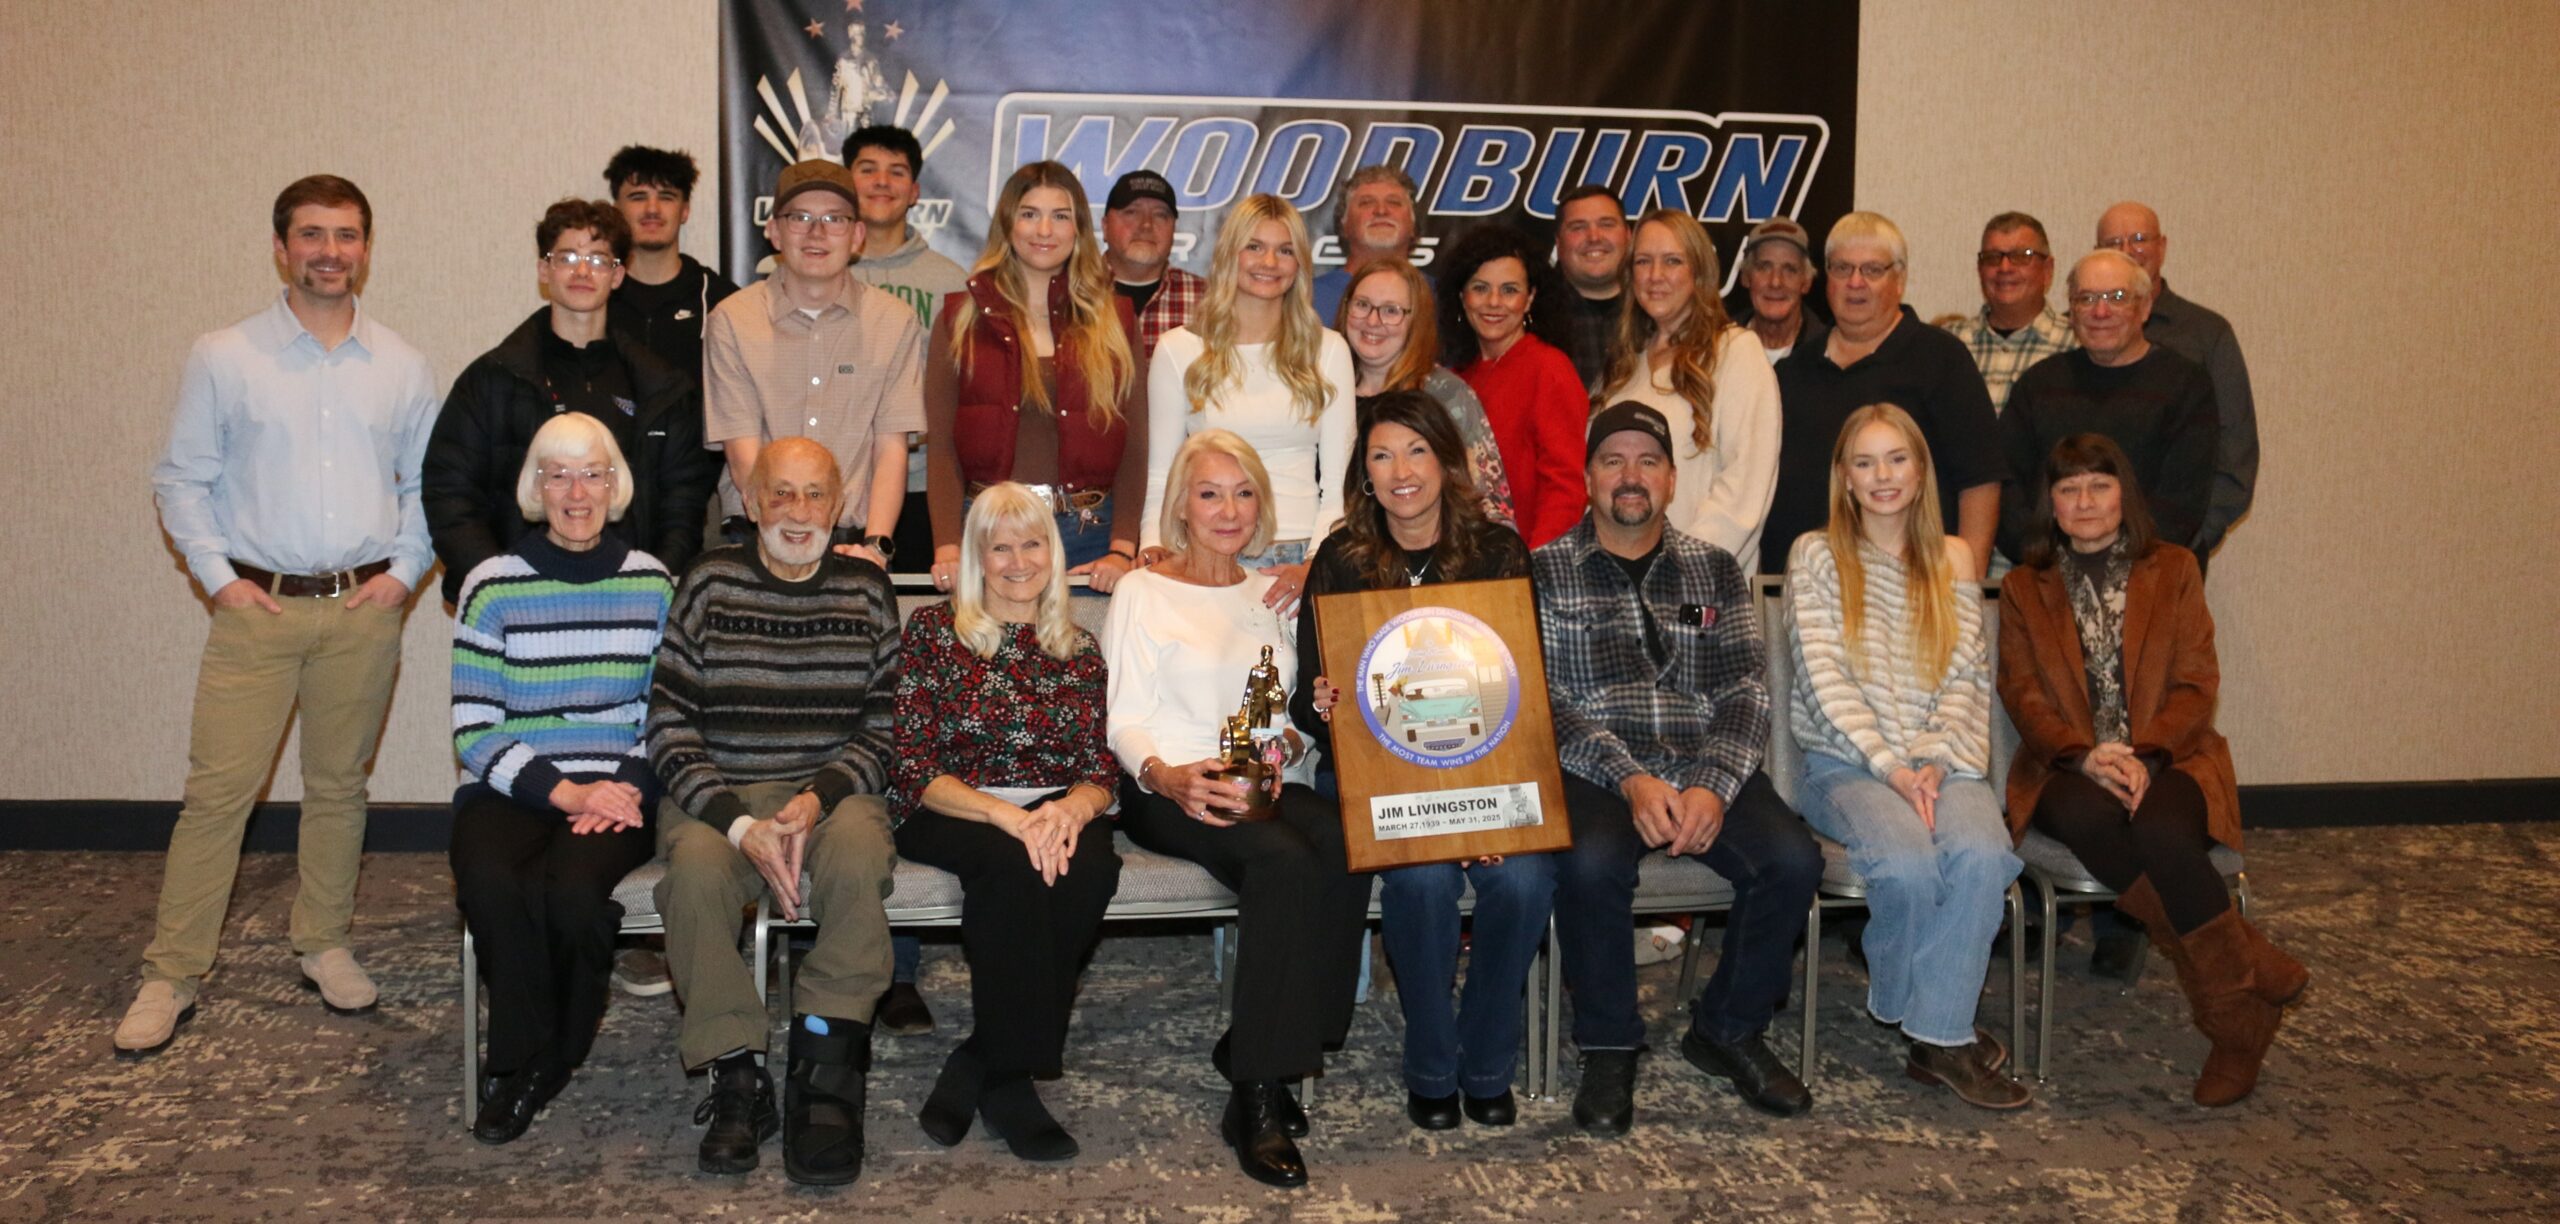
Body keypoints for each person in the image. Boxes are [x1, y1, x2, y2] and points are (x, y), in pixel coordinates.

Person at [123, 175, 438, 1057]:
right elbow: (180, 477)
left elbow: (425, 486)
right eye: (311, 235)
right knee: (219, 795)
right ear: (281, 247)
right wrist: (221, 580)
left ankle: (323, 942)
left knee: (338, 790)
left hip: (365, 610)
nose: (329, 251)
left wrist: (405, 576)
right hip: (256, 612)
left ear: (366, 249)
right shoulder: (226, 354)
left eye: (346, 235)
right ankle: (172, 971)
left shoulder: (402, 365)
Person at [1536, 403, 1823, 1135]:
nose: (1630, 477)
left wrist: (1713, 786)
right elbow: (1547, 704)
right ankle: (1609, 1043)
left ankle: (1726, 1029)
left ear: (1669, 479)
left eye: (1647, 462)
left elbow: (1744, 690)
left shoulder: (1714, 572)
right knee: (1591, 860)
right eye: (1613, 461)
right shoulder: (1544, 573)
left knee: (1791, 860)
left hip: (1702, 758)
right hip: (1598, 768)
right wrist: (1630, 778)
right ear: (1587, 476)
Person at [1997, 434, 2307, 1107]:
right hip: (2065, 765)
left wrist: (2148, 754)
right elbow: (2020, 691)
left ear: (2124, 496)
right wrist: (2086, 755)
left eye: (2099, 486)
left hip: (2173, 755)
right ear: (2049, 504)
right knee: (2086, 815)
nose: (2084, 501)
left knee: (2165, 836)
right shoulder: (2024, 585)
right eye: (2068, 488)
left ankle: (2230, 1029)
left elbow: (2196, 682)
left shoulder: (2174, 570)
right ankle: (2246, 972)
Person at [1104, 431, 1368, 1189]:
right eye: (1210, 492)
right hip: (1169, 784)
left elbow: (1278, 712)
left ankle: (1279, 1042)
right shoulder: (1142, 591)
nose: (1229, 509)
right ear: (1181, 506)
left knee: (1347, 840)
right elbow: (1122, 717)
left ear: (1262, 506)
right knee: (1284, 861)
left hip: (1261, 781)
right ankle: (1255, 1092)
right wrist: (1167, 775)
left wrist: (1290, 736)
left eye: (1244, 492)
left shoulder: (1270, 596)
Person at [1286, 393, 1548, 1130]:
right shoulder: (1340, 559)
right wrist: (1325, 699)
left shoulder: (1498, 551)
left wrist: (1495, 807)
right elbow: (1312, 705)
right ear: (1364, 476)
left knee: (1525, 880)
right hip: (1381, 776)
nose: (1400, 470)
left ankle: (1489, 1064)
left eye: (1416, 451)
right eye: (1381, 455)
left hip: (1488, 771)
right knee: (1425, 881)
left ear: (1445, 461)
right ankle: (1433, 1067)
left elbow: (1525, 686)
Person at [646, 437, 902, 1185]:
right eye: (780, 493)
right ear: (751, 503)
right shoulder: (708, 582)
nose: (797, 511)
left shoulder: (865, 589)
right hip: (720, 792)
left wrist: (816, 800)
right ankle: (738, 1077)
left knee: (857, 861)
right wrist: (737, 823)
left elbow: (884, 728)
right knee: (693, 874)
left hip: (831, 791)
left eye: (814, 493)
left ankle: (827, 1069)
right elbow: (667, 725)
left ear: (841, 504)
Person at [1781, 404, 2028, 1110]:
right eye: (1865, 462)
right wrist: (1892, 766)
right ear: (1845, 479)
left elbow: (1966, 679)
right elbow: (1824, 679)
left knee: (1985, 856)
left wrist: (1937, 765)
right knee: (1908, 865)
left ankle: (1933, 1031)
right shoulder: (1817, 554)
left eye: (1897, 459)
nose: (1882, 476)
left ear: (1921, 472)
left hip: (1942, 763)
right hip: (1846, 765)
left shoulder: (1954, 558)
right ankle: (1944, 1029)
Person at [448, 414, 676, 1143]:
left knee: (575, 897)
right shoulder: (491, 585)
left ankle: (543, 1061)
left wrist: (630, 781)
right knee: (489, 883)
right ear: (535, 487)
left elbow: (667, 712)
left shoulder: (652, 583)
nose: (577, 491)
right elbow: (475, 727)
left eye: (593, 474)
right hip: (513, 783)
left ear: (616, 487)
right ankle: (528, 1057)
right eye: (559, 474)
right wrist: (565, 791)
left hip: (618, 782)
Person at [893, 483, 1123, 1162]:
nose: (1018, 561)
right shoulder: (936, 632)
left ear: (1052, 553)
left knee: (1090, 869)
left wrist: (1068, 810)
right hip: (953, 804)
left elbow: (1101, 770)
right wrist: (1005, 816)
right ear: (977, 558)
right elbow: (912, 763)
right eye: (1001, 547)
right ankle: (1014, 1083)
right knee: (1010, 866)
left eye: (1032, 544)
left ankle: (980, 1059)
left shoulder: (1079, 646)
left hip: (1054, 805)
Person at [424, 198, 716, 607]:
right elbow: (449, 491)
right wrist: (498, 585)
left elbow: (683, 502)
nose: (582, 271)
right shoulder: (493, 379)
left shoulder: (660, 387)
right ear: (545, 270)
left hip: (630, 602)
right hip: (516, 602)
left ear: (618, 275)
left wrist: (651, 582)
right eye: (568, 257)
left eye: (598, 259)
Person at [924, 161, 1146, 598]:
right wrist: (947, 544)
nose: (1044, 229)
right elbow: (942, 448)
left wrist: (1122, 548)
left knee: (1082, 665)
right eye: (1029, 214)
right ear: (1007, 224)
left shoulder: (1116, 320)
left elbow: (1135, 443)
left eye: (1060, 216)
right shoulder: (958, 319)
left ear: (1079, 228)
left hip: (1091, 542)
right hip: (990, 535)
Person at [702, 159, 924, 569]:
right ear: (773, 231)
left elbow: (891, 447)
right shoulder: (732, 320)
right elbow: (741, 452)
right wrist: (786, 532)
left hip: (853, 545)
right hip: (757, 540)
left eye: (834, 219)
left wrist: (876, 547)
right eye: (800, 217)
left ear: (857, 235)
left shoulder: (894, 321)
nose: (817, 233)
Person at [1139, 194, 1357, 610]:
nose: (1269, 262)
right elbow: (1162, 474)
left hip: (1299, 561)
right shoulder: (1177, 350)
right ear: (1229, 254)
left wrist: (1316, 564)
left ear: (1299, 265)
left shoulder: (1329, 350)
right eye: (1254, 246)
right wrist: (1155, 544)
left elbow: (1339, 485)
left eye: (1285, 250)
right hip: (1206, 556)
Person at [1767, 212, 2002, 579]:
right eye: (1842, 269)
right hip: (1809, 587)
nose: (1855, 283)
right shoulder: (1792, 371)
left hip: (1918, 588)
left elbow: (1981, 481)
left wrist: (1966, 586)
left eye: (1872, 270)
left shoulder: (1942, 359)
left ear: (1900, 280)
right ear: (1826, 279)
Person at [1998, 250, 2219, 561]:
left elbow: (2183, 501)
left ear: (2145, 307)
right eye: (2086, 299)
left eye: (2117, 297)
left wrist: (2111, 565)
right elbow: (2008, 487)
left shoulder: (2185, 385)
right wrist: (2052, 559)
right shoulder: (2038, 385)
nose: (2100, 312)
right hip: (2050, 579)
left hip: (2151, 580)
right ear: (2071, 312)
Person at [1596, 209, 1782, 570]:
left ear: (1698, 272)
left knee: (1693, 625)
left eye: (1672, 261)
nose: (1655, 276)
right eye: (1643, 261)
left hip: (1699, 597)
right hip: (1622, 588)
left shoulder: (1736, 352)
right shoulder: (1621, 368)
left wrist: (1678, 574)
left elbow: (1744, 490)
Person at [842, 124, 970, 590]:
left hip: (917, 484)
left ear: (914, 191)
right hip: (831, 481)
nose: (881, 182)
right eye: (867, 169)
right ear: (845, 180)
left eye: (896, 172)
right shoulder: (812, 272)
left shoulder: (951, 282)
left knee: (909, 614)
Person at [2096, 201, 2258, 559]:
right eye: (2113, 243)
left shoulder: (2206, 334)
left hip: (2172, 557)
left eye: (2139, 238)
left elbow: (2236, 448)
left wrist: (2193, 540)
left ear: (2162, 247)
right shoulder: (2077, 329)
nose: (2127, 251)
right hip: (2079, 556)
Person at [1437, 222, 1586, 548]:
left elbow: (1565, 486)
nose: (1494, 302)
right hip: (1467, 562)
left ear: (1530, 298)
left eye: (1509, 290)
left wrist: (1539, 565)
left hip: (1529, 562)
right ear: (1462, 297)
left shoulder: (1549, 368)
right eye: (1480, 288)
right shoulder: (1458, 379)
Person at [1335, 256, 1515, 525]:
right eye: (1362, 305)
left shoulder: (1445, 394)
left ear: (1415, 320)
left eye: (1391, 310)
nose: (1373, 321)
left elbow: (1488, 504)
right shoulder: (1322, 390)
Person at [604, 145, 741, 380]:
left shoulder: (719, 299)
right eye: (638, 197)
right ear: (617, 209)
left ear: (685, 211)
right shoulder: (595, 294)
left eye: (667, 197)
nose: (652, 209)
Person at [1941, 212, 2075, 414]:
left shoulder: (2075, 343)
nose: (2004, 267)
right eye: (1992, 258)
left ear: (2048, 269)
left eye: (2021, 256)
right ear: (1980, 269)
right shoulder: (1947, 344)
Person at [1102, 169, 1204, 361]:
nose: (1146, 224)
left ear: (1174, 229)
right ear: (1105, 226)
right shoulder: (1071, 292)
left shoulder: (1210, 301)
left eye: (1160, 215)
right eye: (1131, 212)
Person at [1311, 164, 1421, 325]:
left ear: (1413, 225)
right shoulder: (1307, 299)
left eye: (1394, 202)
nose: (1381, 211)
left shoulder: (1442, 297)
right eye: (1366, 203)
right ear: (1343, 225)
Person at [1554, 184, 1632, 388]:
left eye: (1606, 224)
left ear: (1628, 236)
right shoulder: (1529, 317)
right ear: (1558, 244)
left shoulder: (1660, 311)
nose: (1594, 237)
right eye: (1578, 227)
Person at [1731, 218, 1826, 363]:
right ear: (1745, 276)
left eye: (1789, 270)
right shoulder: (1718, 347)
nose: (1775, 282)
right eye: (1764, 267)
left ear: (1806, 282)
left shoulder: (1827, 352)